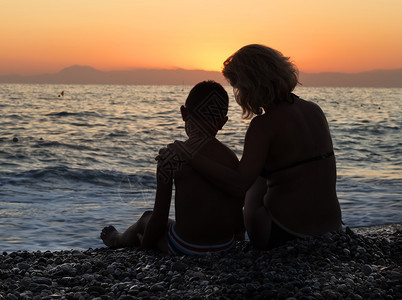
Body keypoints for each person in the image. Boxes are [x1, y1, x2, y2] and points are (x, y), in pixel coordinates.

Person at [167, 44, 342, 249]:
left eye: (238, 86)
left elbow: (239, 185)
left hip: (288, 234)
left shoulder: (263, 125)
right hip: (332, 229)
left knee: (253, 181)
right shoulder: (314, 110)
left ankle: (226, 233)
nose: (238, 93)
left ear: (252, 84)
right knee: (262, 171)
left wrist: (188, 155)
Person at [100, 81, 244, 255]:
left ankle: (118, 238)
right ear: (222, 122)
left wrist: (145, 246)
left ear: (184, 113)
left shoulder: (171, 157)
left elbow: (159, 219)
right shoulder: (230, 157)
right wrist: (238, 240)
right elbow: (237, 213)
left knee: (147, 217)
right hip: (225, 246)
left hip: (186, 247)